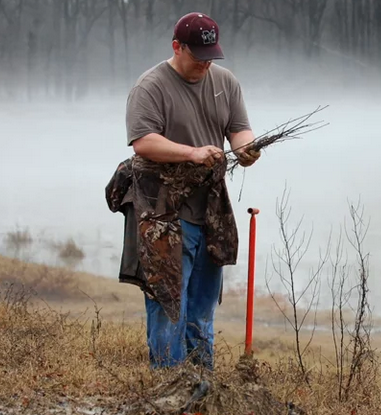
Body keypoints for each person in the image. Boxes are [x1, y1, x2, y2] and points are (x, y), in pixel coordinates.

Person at [118, 11, 260, 371]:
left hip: (209, 213)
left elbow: (240, 129)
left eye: (211, 56)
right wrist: (192, 153)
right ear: (176, 47)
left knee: (202, 307)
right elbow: (143, 142)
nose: (205, 64)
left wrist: (247, 149)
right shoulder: (150, 87)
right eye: (198, 56)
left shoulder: (225, 82)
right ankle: (169, 387)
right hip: (162, 213)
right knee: (169, 305)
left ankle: (201, 385)